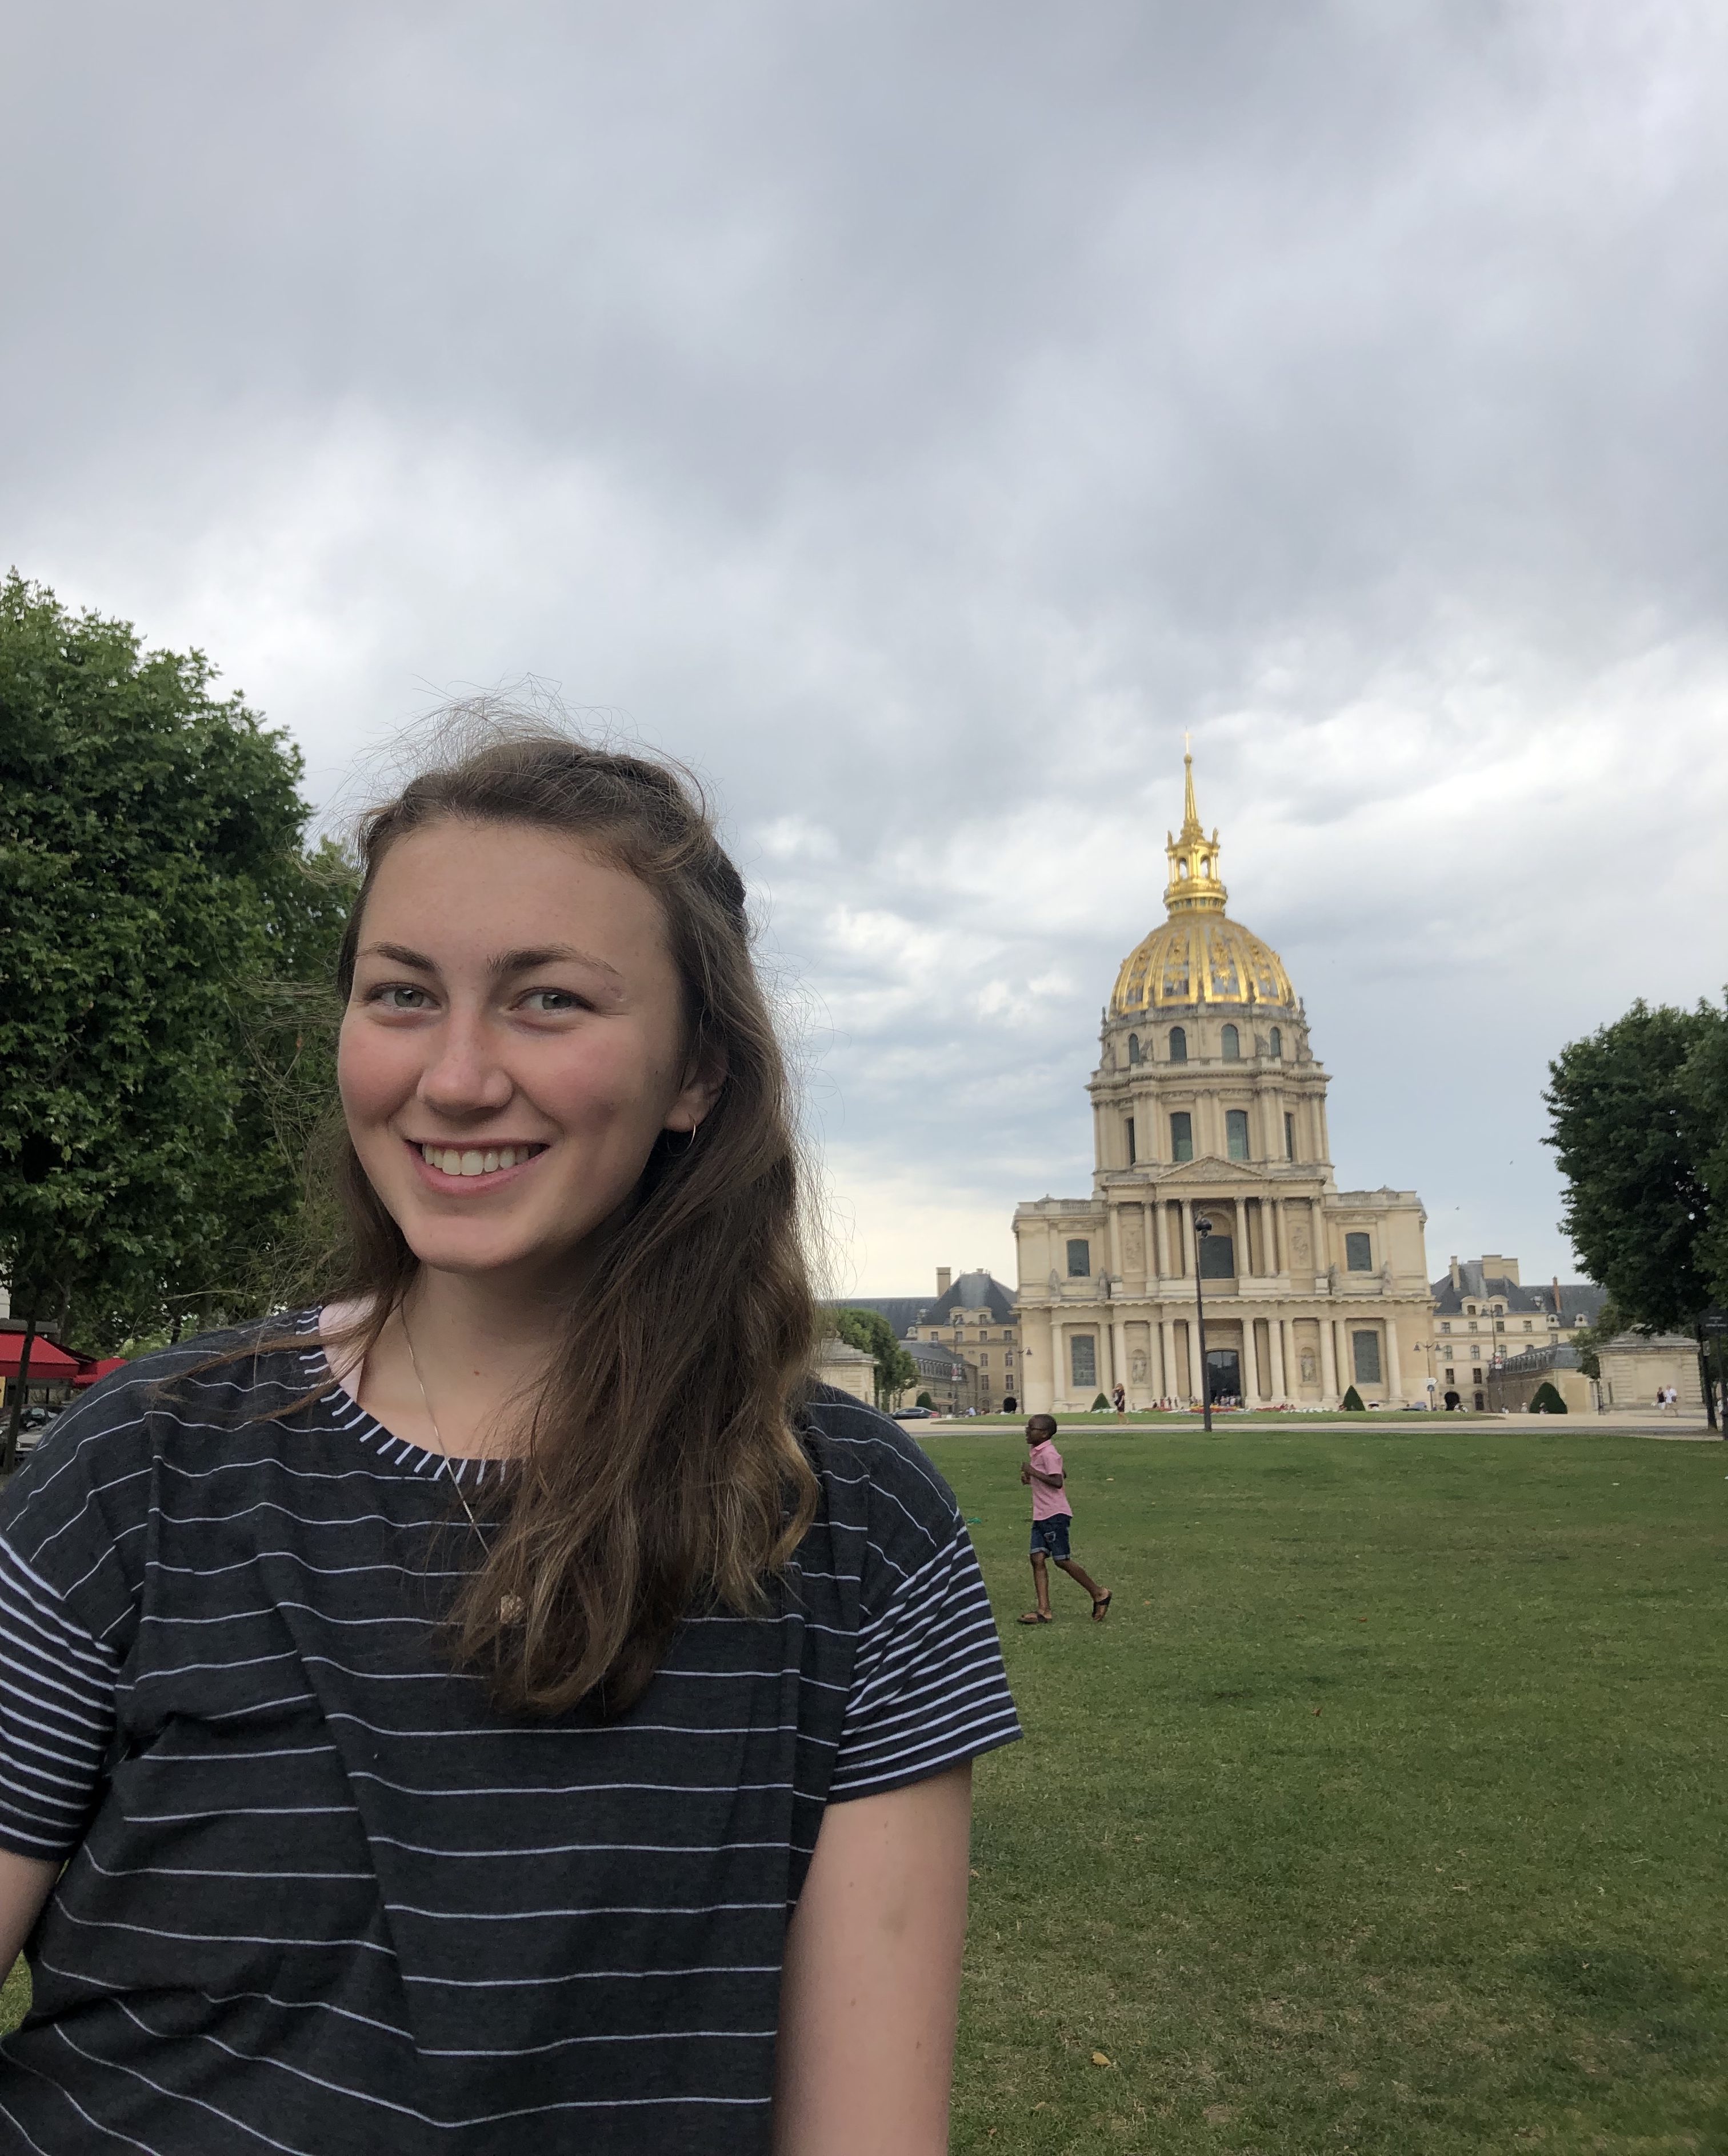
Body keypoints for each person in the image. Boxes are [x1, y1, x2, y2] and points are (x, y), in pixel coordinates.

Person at [0, 730, 1021, 2156]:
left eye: (548, 1000)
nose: (459, 1078)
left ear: (698, 1077)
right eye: (401, 994)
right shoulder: (137, 1468)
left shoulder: (853, 1527)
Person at [1017, 1415, 1110, 1625]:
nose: (1027, 1430)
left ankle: (1099, 1593)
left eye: (1032, 1428)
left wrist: (1033, 1472)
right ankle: (1044, 1611)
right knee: (1037, 1559)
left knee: (1062, 1560)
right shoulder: (1038, 1450)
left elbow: (1058, 1481)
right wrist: (1032, 1478)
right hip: (1041, 1514)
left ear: (1044, 1434)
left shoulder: (1048, 1452)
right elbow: (1062, 1472)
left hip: (1054, 1515)